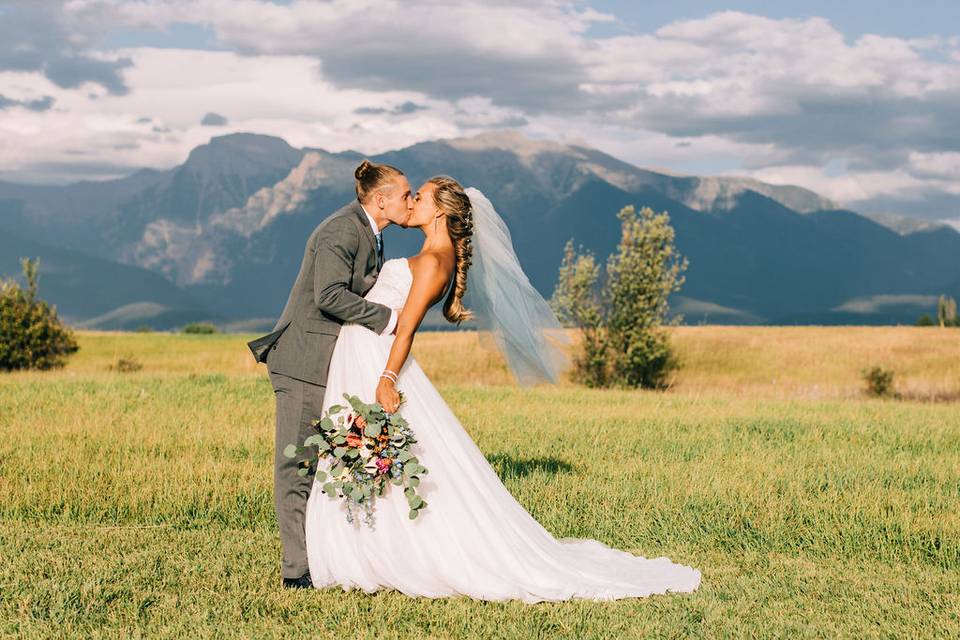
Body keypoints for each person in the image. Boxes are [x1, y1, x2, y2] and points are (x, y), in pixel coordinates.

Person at [302, 175, 702, 602]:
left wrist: (386, 378)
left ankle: (382, 551)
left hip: (378, 361)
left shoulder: (436, 261)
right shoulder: (430, 256)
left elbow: (406, 330)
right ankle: (367, 544)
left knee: (380, 455)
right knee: (372, 454)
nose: (412, 201)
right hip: (362, 354)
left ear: (438, 211)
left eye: (420, 197)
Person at [247, 159, 411, 588]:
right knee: (296, 464)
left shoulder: (371, 232)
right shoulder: (342, 229)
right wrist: (388, 319)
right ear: (381, 200)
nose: (410, 202)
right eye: (405, 196)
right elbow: (329, 295)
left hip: (328, 359)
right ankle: (296, 572)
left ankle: (328, 555)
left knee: (326, 460)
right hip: (303, 360)